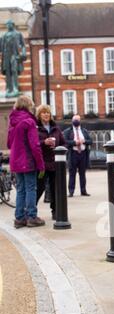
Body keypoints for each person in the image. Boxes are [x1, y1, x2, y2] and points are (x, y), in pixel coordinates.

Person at [7, 95, 45, 228]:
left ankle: (19, 218)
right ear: (29, 105)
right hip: (27, 161)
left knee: (21, 190)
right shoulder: (29, 121)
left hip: (15, 161)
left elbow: (8, 144)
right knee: (31, 188)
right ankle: (31, 217)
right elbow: (35, 145)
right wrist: (41, 164)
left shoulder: (12, 122)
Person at [36, 105, 65, 220]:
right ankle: (31, 212)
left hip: (54, 164)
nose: (46, 114)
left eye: (47, 112)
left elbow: (64, 143)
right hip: (41, 164)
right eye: (43, 112)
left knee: (55, 188)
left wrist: (58, 148)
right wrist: (44, 142)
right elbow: (34, 144)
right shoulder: (35, 128)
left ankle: (55, 212)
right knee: (39, 187)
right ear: (39, 115)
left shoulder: (56, 128)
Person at [63, 115, 92, 197]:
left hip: (83, 154)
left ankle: (83, 191)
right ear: (72, 120)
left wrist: (84, 141)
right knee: (72, 173)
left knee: (82, 173)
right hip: (73, 154)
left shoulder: (84, 131)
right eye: (75, 119)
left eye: (78, 119)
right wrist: (74, 142)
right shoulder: (68, 131)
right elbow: (65, 141)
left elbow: (90, 141)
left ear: (80, 121)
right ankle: (71, 191)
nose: (76, 121)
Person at [0, 19, 26, 97]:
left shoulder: (18, 34)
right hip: (6, 56)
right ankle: (9, 89)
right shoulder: (4, 36)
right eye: (7, 25)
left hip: (14, 55)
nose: (8, 26)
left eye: (9, 24)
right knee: (8, 72)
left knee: (14, 70)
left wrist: (23, 53)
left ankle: (15, 88)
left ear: (12, 25)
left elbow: (23, 45)